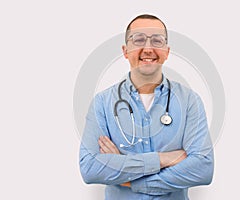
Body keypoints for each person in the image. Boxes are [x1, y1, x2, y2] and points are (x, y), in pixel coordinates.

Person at [79, 14, 214, 200]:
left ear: (167, 51)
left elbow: (203, 169)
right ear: (125, 51)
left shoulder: (189, 101)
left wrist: (127, 176)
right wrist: (162, 159)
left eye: (157, 41)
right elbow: (90, 169)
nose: (148, 48)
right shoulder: (102, 103)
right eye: (139, 39)